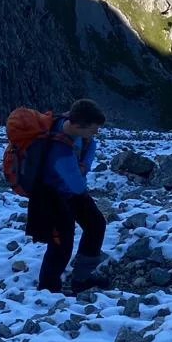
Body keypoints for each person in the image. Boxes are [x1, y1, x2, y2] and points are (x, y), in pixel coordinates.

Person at [25, 98, 107, 294]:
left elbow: (78, 176)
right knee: (61, 242)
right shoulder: (60, 151)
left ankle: (82, 278)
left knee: (96, 224)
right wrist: (85, 164)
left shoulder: (67, 124)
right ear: (78, 124)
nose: (95, 134)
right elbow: (78, 185)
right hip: (50, 194)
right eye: (92, 130)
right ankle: (48, 290)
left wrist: (87, 152)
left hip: (66, 188)